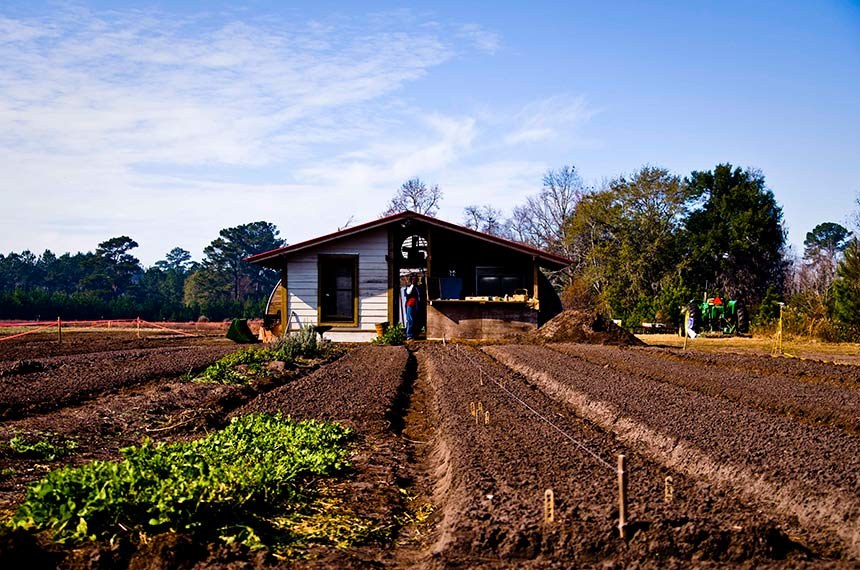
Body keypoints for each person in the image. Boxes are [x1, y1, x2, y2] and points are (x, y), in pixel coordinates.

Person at [404, 274, 421, 340]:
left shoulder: (418, 287)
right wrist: (412, 285)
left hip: (416, 304)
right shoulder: (409, 287)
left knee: (416, 320)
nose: (415, 280)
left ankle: (415, 334)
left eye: (416, 279)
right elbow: (408, 293)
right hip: (410, 304)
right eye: (413, 279)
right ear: (411, 280)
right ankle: (409, 335)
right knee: (410, 320)